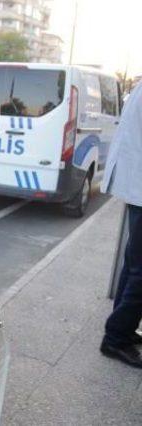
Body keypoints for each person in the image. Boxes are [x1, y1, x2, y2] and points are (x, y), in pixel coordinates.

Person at [100, 82, 142, 368]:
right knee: (140, 270)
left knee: (134, 262)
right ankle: (116, 338)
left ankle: (121, 328)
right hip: (138, 184)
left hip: (136, 183)